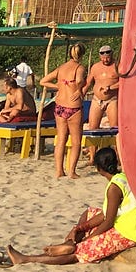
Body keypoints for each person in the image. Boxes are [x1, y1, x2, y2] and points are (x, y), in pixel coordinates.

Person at [5, 147, 136, 265]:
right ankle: (69, 243)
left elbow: (108, 220)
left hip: (128, 233)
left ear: (98, 168)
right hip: (127, 223)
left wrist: (89, 239)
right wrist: (79, 228)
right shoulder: (122, 177)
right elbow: (105, 214)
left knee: (79, 253)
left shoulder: (114, 188)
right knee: (89, 213)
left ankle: (27, 259)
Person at [40, 42, 88, 178]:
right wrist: (79, 89)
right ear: (82, 54)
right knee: (76, 141)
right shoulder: (80, 68)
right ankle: (72, 171)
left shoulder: (61, 68)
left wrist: (58, 86)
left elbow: (43, 81)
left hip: (60, 106)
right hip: (73, 107)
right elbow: (79, 80)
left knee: (61, 139)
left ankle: (59, 171)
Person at [86, 44, 120, 129]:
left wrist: (110, 87)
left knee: (114, 128)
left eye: (107, 58)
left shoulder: (118, 66)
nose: (105, 60)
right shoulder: (95, 67)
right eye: (103, 58)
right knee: (92, 127)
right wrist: (80, 93)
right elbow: (88, 83)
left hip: (112, 100)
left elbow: (124, 82)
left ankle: (114, 142)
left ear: (111, 55)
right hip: (96, 99)